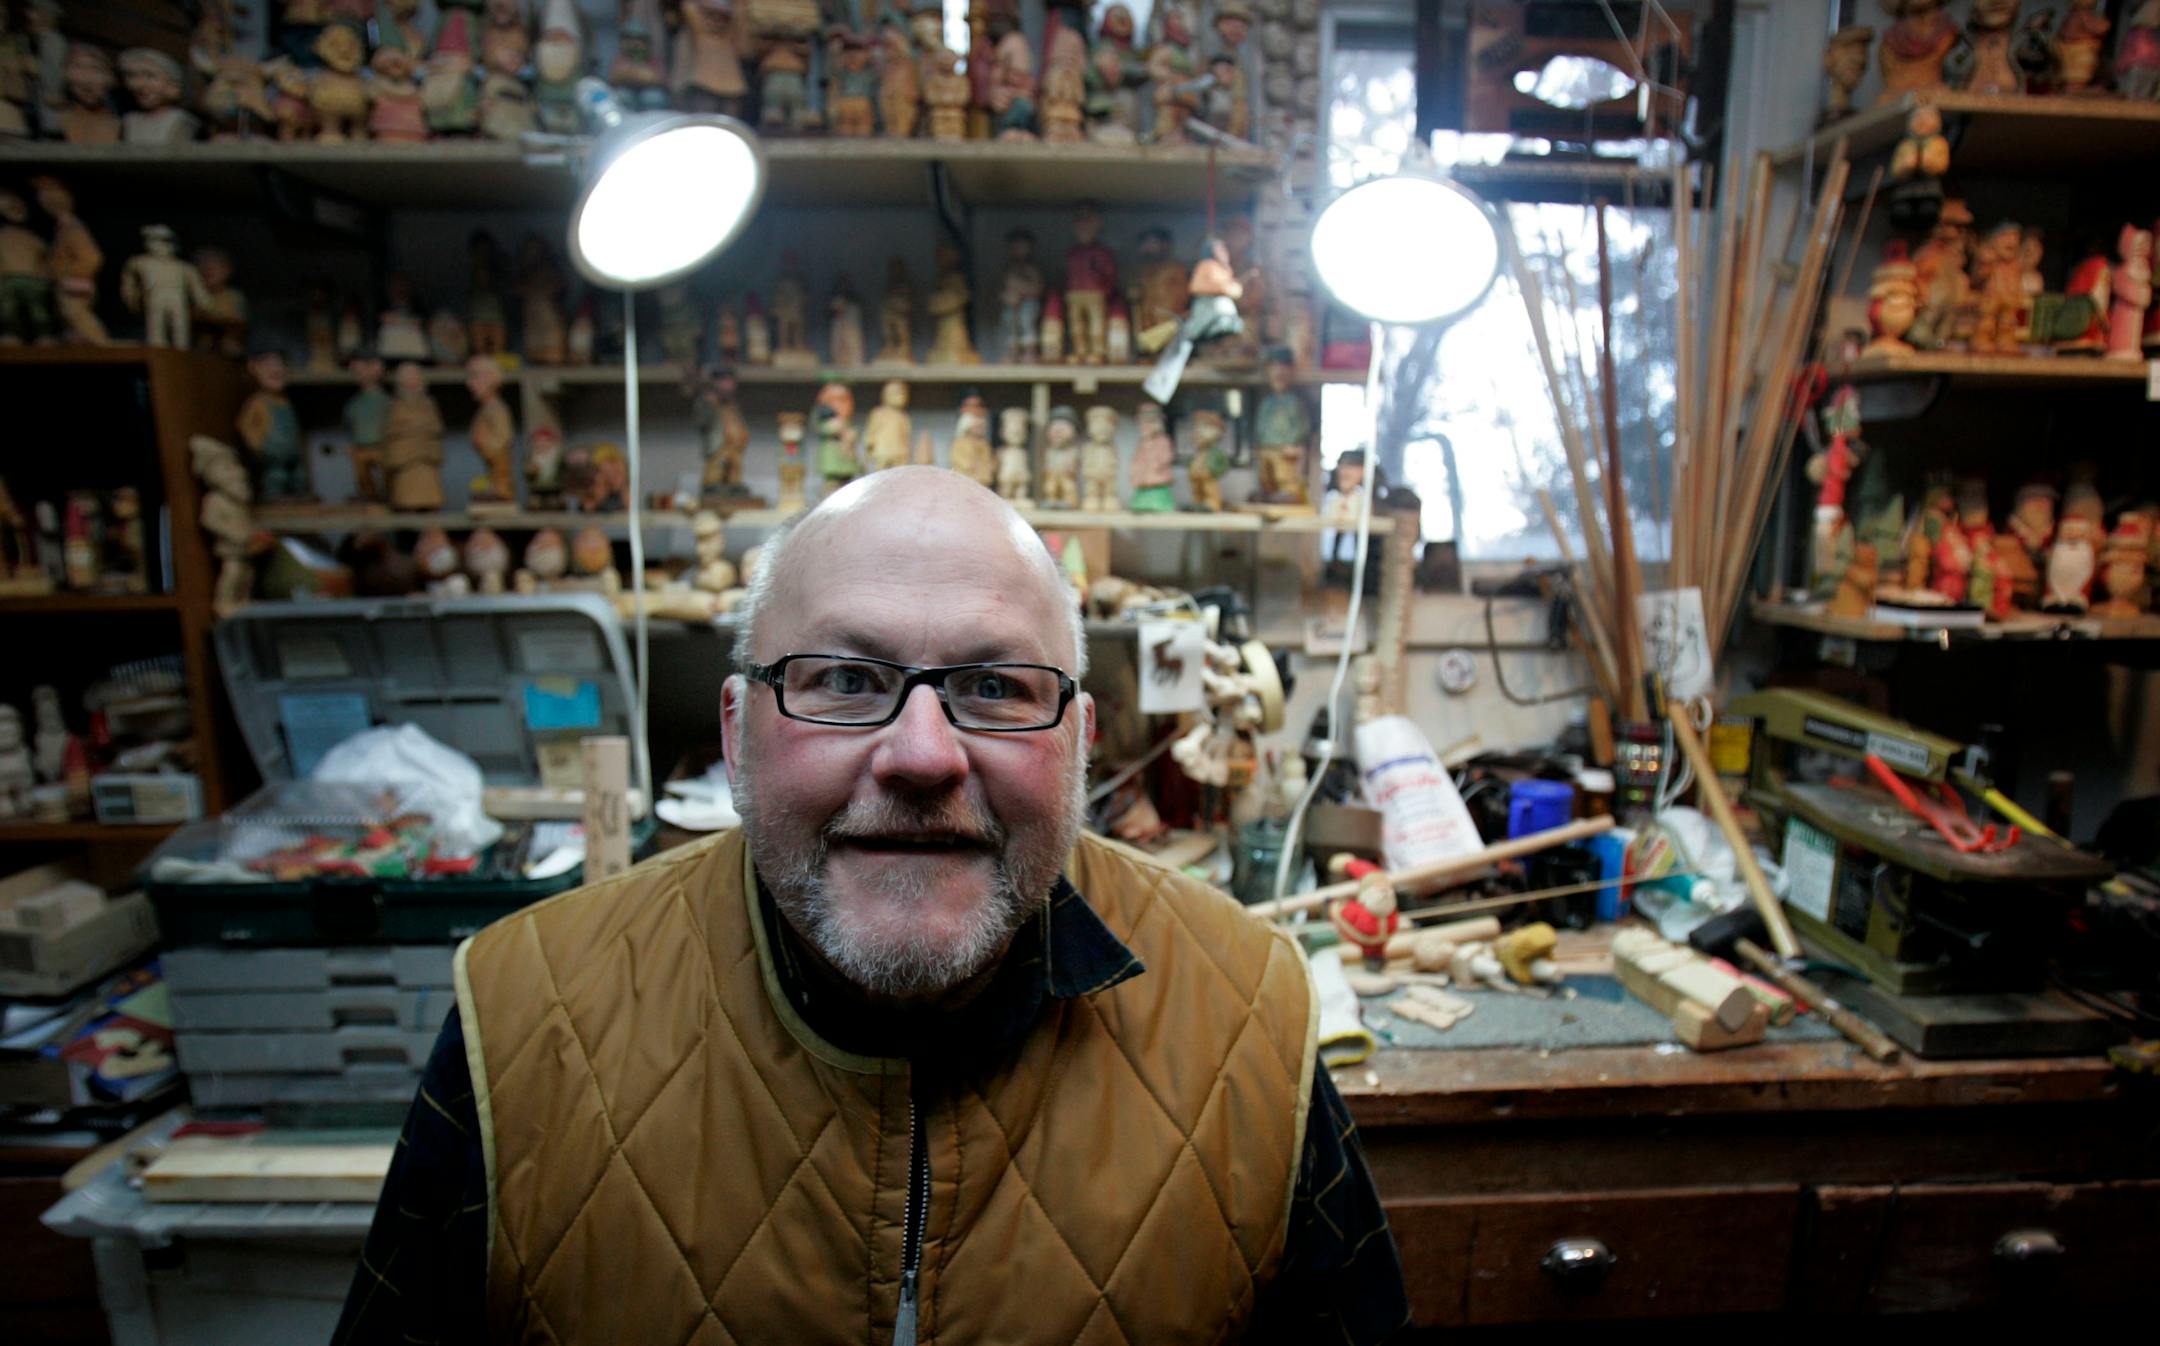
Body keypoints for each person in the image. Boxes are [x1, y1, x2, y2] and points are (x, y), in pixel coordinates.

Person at [335, 467, 1407, 1345]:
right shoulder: (521, 1016)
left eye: (995, 686)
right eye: (845, 679)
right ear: (735, 729)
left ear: (1080, 746)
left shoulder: (1249, 1017)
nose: (924, 755)